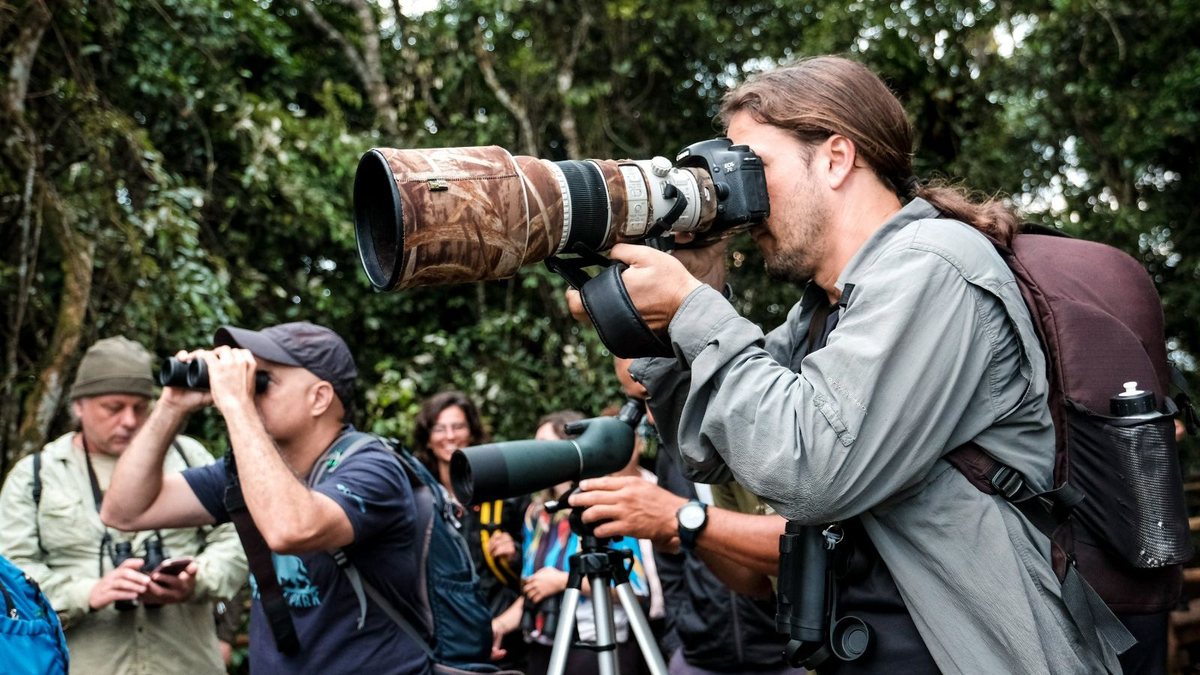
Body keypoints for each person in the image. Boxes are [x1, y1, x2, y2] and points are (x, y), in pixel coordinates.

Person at [567, 56, 1124, 673]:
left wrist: (694, 310)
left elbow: (814, 470)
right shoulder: (825, 310)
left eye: (754, 167)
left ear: (836, 158)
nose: (740, 199)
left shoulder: (933, 267)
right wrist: (673, 316)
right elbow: (712, 451)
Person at [98, 322, 432, 674]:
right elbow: (123, 510)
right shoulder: (248, 474)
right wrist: (171, 406)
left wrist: (237, 406)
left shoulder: (373, 468)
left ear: (318, 397)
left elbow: (291, 529)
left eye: (262, 380)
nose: (246, 388)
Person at [0, 336, 248, 674]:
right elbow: (11, 577)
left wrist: (197, 577)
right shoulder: (36, 476)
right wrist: (89, 592)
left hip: (184, 661)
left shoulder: (190, 457)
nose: (129, 421)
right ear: (79, 406)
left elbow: (237, 537)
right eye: (113, 408)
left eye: (140, 407)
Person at [571, 358, 799, 675]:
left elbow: (808, 545)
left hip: (786, 652)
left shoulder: (775, 427)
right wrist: (678, 638)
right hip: (699, 652)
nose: (649, 418)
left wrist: (683, 517)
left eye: (652, 395)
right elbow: (748, 580)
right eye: (637, 402)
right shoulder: (673, 457)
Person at [511, 410, 651, 675]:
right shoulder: (536, 516)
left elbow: (636, 590)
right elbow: (532, 587)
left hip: (596, 641)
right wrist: (497, 626)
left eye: (545, 447)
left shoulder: (604, 505)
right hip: (543, 641)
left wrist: (561, 581)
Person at [412, 390, 528, 668]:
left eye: (458, 426)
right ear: (428, 438)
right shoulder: (419, 496)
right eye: (439, 428)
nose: (450, 436)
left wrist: (516, 553)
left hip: (504, 630)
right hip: (443, 637)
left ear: (472, 432)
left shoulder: (505, 495)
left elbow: (543, 563)